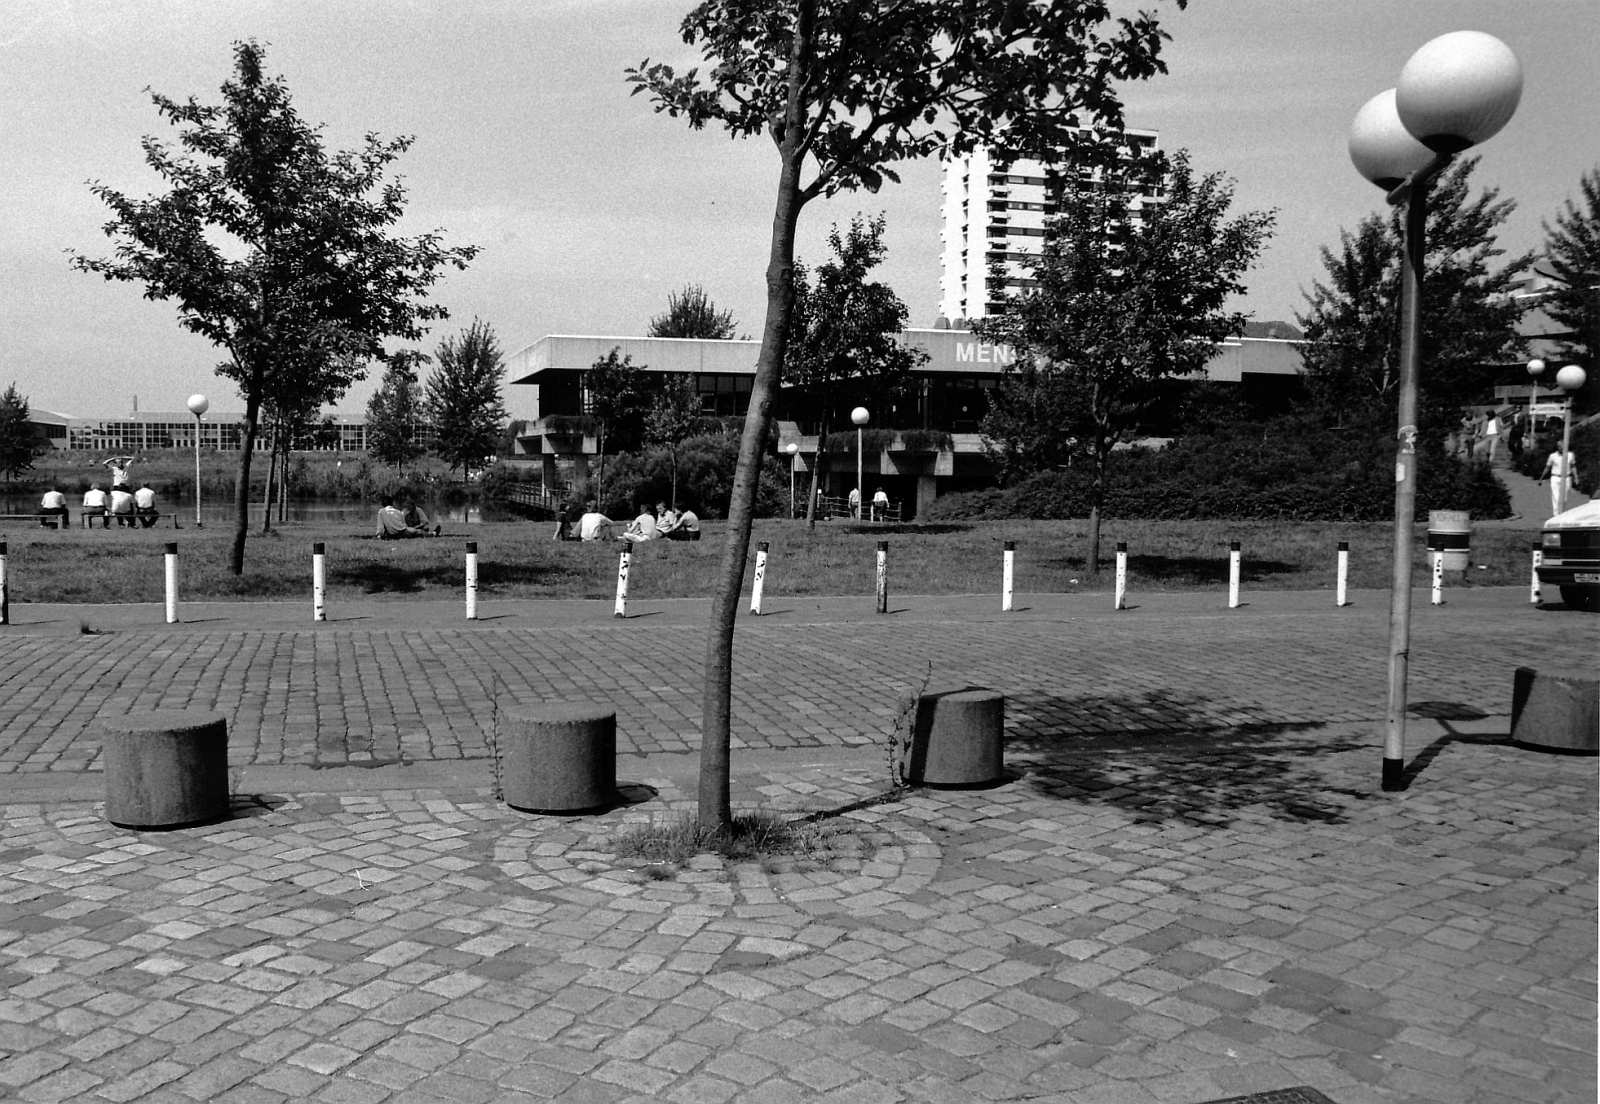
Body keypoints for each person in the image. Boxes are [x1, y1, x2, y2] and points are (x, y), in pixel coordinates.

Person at [1538, 445, 1579, 516]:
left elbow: (1573, 466)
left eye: (1562, 446)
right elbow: (1547, 467)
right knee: (1556, 497)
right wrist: (1541, 478)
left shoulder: (1570, 455)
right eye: (1559, 446)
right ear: (1557, 447)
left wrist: (1576, 477)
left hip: (1567, 478)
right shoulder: (1552, 456)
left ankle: (1562, 513)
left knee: (1564, 498)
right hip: (1555, 478)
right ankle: (1556, 515)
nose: (1561, 448)